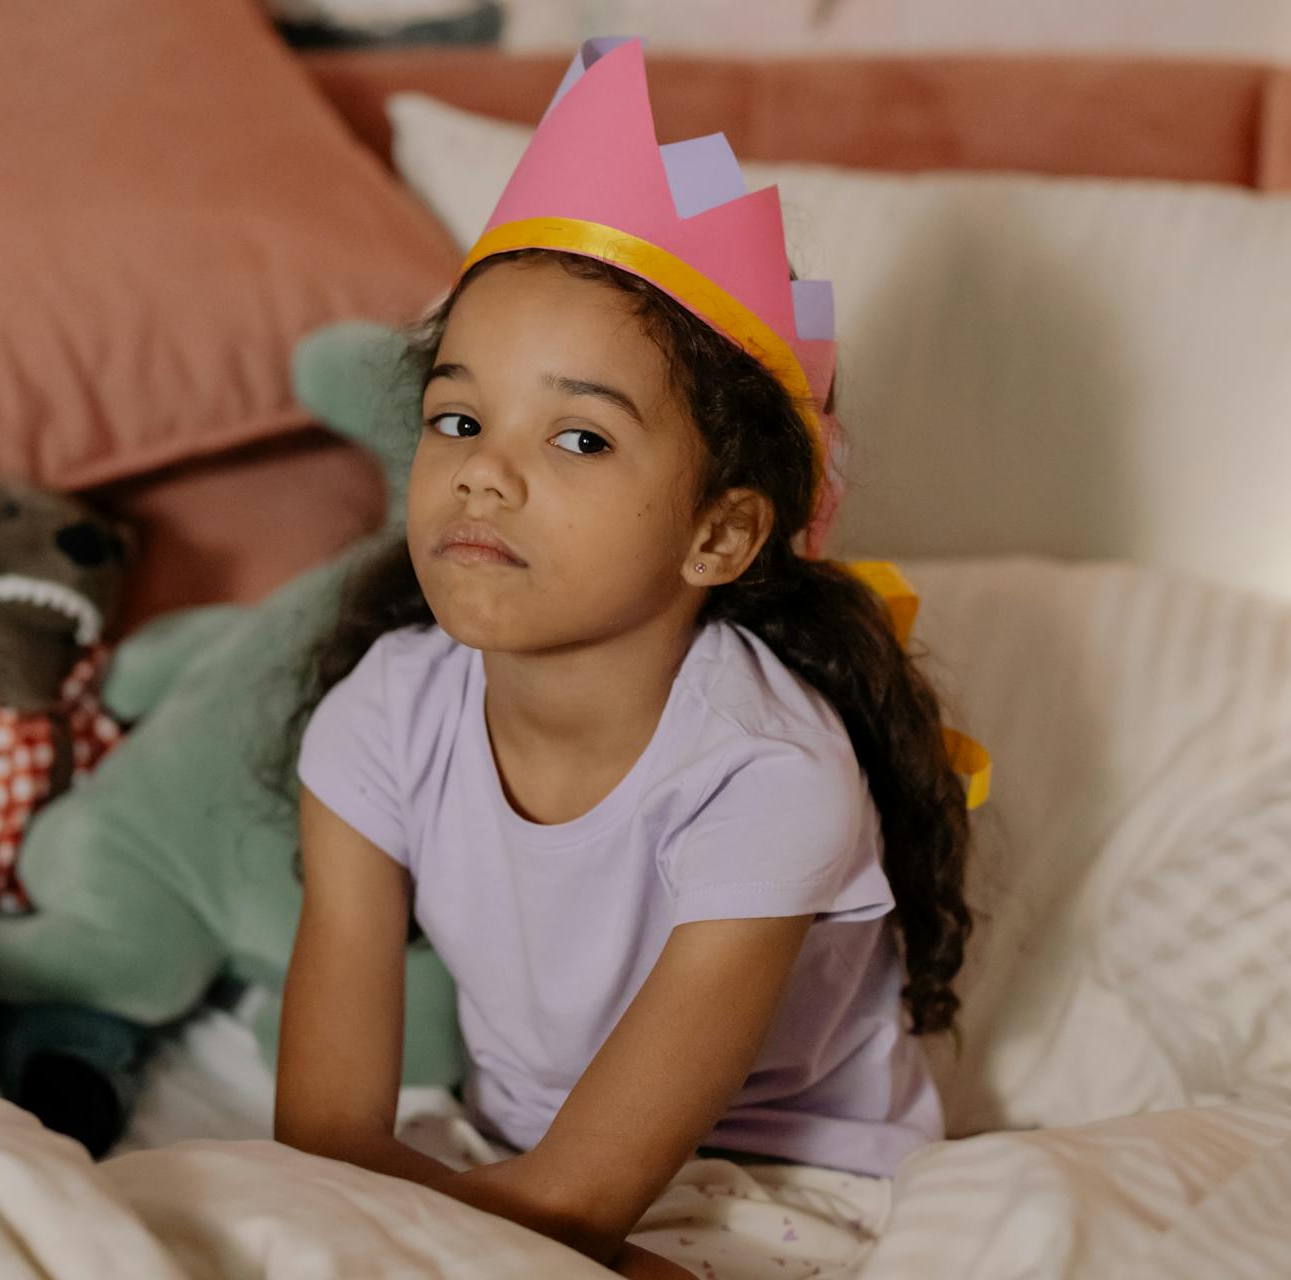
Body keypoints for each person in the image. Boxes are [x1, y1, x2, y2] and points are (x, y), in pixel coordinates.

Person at [274, 37, 973, 1279]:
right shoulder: (381, 714)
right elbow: (323, 1140)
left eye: (582, 438)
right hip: (503, 1158)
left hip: (780, 1181)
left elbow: (582, 1199)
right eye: (458, 416)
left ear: (719, 533)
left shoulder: (765, 771)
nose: (485, 467)